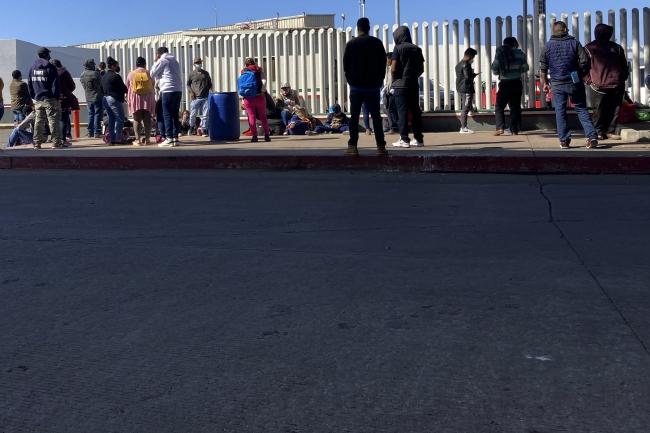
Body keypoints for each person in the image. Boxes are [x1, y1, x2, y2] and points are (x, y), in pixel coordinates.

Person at [541, 21, 598, 149]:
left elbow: (543, 67)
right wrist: (579, 74)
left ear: (554, 32)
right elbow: (585, 61)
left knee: (560, 112)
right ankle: (591, 136)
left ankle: (564, 140)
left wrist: (545, 84)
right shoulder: (575, 43)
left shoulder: (547, 46)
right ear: (565, 30)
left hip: (557, 83)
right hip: (574, 81)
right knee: (581, 109)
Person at [343, 17, 388, 156]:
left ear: (358, 29)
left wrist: (351, 81)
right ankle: (380, 147)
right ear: (368, 28)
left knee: (354, 117)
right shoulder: (377, 43)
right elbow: (382, 65)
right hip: (373, 88)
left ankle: (352, 146)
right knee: (376, 117)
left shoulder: (351, 44)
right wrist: (379, 81)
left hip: (356, 88)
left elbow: (346, 66)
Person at [584, 24, 629, 141]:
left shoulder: (617, 48)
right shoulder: (589, 48)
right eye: (604, 32)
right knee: (598, 109)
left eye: (609, 32)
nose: (607, 34)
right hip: (598, 85)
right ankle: (598, 132)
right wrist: (589, 80)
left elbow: (625, 65)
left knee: (615, 109)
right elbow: (582, 67)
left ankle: (610, 131)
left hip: (616, 84)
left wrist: (622, 78)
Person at [391, 25, 426, 148]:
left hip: (400, 86)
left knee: (402, 112)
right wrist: (412, 77)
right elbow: (421, 69)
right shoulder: (417, 49)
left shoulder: (398, 48)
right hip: (413, 85)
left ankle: (404, 139)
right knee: (415, 112)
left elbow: (393, 68)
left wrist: (395, 80)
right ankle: (418, 139)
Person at [491, 37, 528, 136]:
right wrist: (516, 71)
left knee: (499, 106)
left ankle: (499, 128)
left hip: (505, 83)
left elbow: (494, 70)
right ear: (514, 43)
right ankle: (514, 130)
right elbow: (525, 68)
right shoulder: (521, 54)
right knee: (515, 107)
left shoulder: (500, 54)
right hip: (516, 82)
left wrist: (502, 72)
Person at [28, 47, 63, 149]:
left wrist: (34, 96)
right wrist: (56, 97)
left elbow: (30, 84)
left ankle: (37, 143)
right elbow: (55, 85)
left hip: (38, 99)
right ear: (47, 55)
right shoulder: (51, 68)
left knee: (39, 121)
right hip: (50, 99)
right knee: (53, 121)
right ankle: (56, 142)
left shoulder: (32, 68)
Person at [150, 46, 183, 147]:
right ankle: (175, 138)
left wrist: (156, 62)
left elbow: (152, 74)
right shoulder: (175, 61)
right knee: (174, 115)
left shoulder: (162, 61)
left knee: (167, 115)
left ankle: (168, 138)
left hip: (168, 90)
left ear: (158, 54)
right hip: (178, 90)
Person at [239, 57, 271, 143]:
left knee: (251, 117)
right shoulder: (259, 70)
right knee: (263, 116)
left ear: (246, 64)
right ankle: (267, 135)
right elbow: (264, 81)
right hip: (260, 97)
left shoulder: (243, 71)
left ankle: (254, 136)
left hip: (248, 98)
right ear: (254, 63)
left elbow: (241, 85)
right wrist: (262, 91)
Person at [126, 56, 156, 145]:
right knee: (147, 119)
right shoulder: (149, 74)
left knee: (137, 119)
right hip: (148, 98)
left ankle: (138, 140)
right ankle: (147, 139)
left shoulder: (131, 74)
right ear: (145, 64)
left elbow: (128, 86)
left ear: (136, 64)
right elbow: (153, 85)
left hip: (136, 99)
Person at [101, 56, 128, 145]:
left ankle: (111, 139)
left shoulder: (104, 76)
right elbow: (124, 88)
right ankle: (118, 139)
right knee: (120, 119)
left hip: (105, 99)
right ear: (113, 66)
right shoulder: (116, 76)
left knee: (111, 119)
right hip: (114, 99)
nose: (117, 68)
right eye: (116, 66)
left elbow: (100, 89)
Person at [51, 59, 76, 144]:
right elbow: (72, 86)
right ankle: (62, 139)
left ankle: (55, 138)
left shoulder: (49, 73)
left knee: (54, 119)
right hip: (64, 99)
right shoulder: (64, 73)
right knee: (64, 119)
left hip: (52, 99)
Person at [187, 57, 212, 137]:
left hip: (205, 96)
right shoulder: (191, 74)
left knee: (206, 114)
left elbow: (209, 83)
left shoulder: (206, 73)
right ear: (194, 64)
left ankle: (204, 129)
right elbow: (187, 84)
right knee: (193, 114)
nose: (199, 64)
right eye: (197, 63)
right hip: (195, 97)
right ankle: (191, 127)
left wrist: (210, 89)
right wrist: (191, 92)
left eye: (200, 63)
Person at [456, 48, 478, 134]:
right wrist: (473, 75)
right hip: (466, 89)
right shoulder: (466, 65)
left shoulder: (458, 65)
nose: (473, 59)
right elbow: (468, 77)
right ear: (469, 56)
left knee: (467, 105)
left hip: (460, 88)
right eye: (472, 57)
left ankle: (471, 110)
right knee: (465, 108)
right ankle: (463, 127)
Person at [80, 59, 104, 138]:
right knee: (97, 114)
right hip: (97, 96)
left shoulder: (82, 74)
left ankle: (90, 131)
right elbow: (102, 83)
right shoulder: (95, 74)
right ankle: (97, 131)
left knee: (90, 114)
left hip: (88, 97)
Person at [382, 52, 399, 135]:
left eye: (387, 59)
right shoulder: (390, 68)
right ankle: (393, 127)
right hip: (389, 91)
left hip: (393, 92)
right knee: (389, 109)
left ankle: (394, 127)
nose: (387, 61)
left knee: (391, 109)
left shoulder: (394, 68)